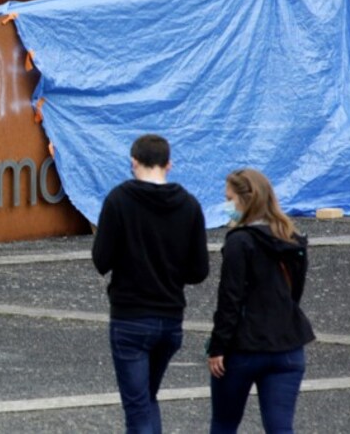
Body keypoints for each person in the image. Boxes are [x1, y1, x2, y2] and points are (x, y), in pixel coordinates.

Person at [92, 134, 210, 433]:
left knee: (137, 406)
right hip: (170, 318)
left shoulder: (118, 200)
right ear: (169, 164)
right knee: (146, 399)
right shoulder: (190, 206)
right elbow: (198, 271)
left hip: (130, 317)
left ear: (133, 161)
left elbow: (101, 260)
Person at [207, 168, 315, 434]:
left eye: (229, 198)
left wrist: (218, 347)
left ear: (245, 200)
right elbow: (294, 293)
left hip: (244, 346)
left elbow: (230, 298)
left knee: (224, 423)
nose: (227, 205)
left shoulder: (239, 241)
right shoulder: (292, 239)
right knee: (280, 427)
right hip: (288, 345)